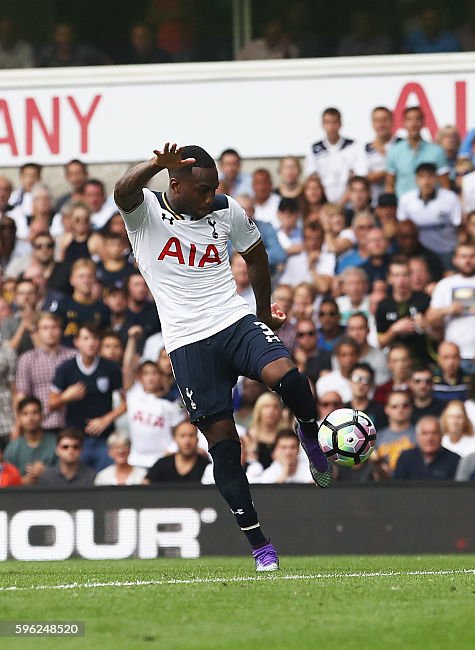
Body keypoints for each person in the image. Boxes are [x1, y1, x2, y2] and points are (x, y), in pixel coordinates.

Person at [114, 143, 334, 572]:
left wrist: (263, 310)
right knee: (225, 449)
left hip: (232, 320)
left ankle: (309, 432)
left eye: (214, 189)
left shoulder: (225, 208)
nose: (209, 197)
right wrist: (155, 166)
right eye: (201, 190)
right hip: (187, 343)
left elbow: (255, 255)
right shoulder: (145, 215)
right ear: (175, 184)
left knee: (290, 378)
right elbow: (123, 191)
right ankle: (260, 545)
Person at [49, 324, 125, 470]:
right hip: (76, 441)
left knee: (105, 485)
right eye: (86, 338)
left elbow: (124, 404)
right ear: (76, 342)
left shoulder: (110, 368)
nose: (91, 343)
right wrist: (66, 397)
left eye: (95, 338)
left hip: (105, 439)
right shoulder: (66, 368)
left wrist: (105, 420)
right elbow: (51, 403)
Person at [16, 313, 75, 433]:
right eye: (45, 328)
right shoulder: (27, 358)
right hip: (40, 424)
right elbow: (22, 395)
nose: (50, 332)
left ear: (61, 330)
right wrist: (18, 424)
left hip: (70, 421)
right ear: (37, 332)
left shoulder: (73, 356)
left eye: (54, 327)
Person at [125, 360, 184, 469]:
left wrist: (173, 448)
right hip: (136, 460)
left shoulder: (174, 403)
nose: (150, 377)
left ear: (161, 376)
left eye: (154, 373)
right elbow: (127, 368)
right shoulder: (132, 396)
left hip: (162, 460)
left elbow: (181, 425)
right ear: (140, 377)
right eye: (146, 373)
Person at [397, 162, 462, 259]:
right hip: (419, 254)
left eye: (430, 176)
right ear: (416, 179)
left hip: (447, 251)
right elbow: (403, 229)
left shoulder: (450, 198)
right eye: (422, 177)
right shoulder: (406, 200)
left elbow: (459, 227)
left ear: (436, 178)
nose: (426, 181)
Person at [306, 107, 368, 204]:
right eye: (327, 122)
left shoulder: (353, 146)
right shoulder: (315, 149)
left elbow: (359, 177)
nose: (331, 127)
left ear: (340, 124)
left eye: (334, 122)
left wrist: (341, 203)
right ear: (322, 125)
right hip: (323, 204)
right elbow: (312, 177)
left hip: (349, 203)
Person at [386, 106, 449, 198]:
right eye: (409, 120)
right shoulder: (394, 151)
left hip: (432, 206)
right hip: (403, 207)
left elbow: (445, 185)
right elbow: (390, 186)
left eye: (417, 119)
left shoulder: (437, 151)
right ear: (403, 123)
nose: (413, 124)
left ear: (423, 123)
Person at [2, 396, 56, 484]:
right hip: (20, 496)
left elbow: (66, 477)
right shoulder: (13, 448)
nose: (30, 418)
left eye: (35, 412)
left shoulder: (55, 443)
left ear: (41, 416)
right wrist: (21, 482)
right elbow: (6, 482)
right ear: (19, 418)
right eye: (25, 414)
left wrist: (47, 473)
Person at [393, 415, 460, 480]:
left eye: (434, 433)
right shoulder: (405, 458)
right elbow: (396, 488)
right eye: (425, 433)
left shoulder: (455, 461)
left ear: (441, 436)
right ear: (417, 437)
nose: (429, 439)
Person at [144, 420, 210, 483]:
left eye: (191, 436)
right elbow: (144, 485)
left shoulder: (206, 466)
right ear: (175, 439)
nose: (187, 441)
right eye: (182, 436)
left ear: (197, 439)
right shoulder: (162, 464)